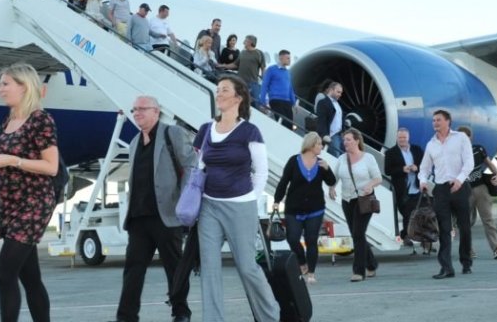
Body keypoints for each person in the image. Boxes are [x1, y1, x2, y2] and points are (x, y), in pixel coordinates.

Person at [193, 75, 279, 322]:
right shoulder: (206, 129)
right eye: (217, 89)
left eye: (224, 90)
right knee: (209, 269)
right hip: (209, 206)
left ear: (238, 98)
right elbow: (199, 166)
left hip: (240, 207)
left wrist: (248, 197)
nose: (218, 93)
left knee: (247, 267)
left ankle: (270, 317)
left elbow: (261, 171)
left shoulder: (249, 131)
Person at [0, 63, 59, 322]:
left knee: (4, 275)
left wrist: (11, 161)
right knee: (30, 277)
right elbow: (11, 162)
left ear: (24, 86)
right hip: (11, 204)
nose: (0, 88)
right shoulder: (10, 120)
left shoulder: (40, 119)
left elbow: (51, 167)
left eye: (5, 83)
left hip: (34, 203)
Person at [114, 95, 194, 322]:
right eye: (134, 109)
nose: (136, 113)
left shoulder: (172, 134)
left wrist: (185, 201)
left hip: (167, 215)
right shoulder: (133, 143)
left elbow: (190, 165)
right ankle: (126, 317)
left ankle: (181, 312)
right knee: (133, 270)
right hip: (139, 218)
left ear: (156, 112)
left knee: (174, 269)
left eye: (142, 109)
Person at [273, 132, 336, 284]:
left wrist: (328, 169)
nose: (322, 146)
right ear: (311, 145)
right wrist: (277, 200)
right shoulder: (294, 161)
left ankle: (311, 273)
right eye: (319, 144)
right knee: (292, 238)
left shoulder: (322, 163)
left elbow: (331, 181)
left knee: (311, 240)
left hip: (315, 208)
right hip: (294, 208)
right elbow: (284, 182)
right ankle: (302, 263)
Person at [418, 109, 474, 279]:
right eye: (433, 120)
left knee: (465, 228)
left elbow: (469, 162)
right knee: (443, 229)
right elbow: (424, 168)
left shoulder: (460, 138)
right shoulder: (431, 144)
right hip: (441, 190)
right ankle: (446, 267)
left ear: (448, 121)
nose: (435, 123)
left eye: (439, 120)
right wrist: (422, 181)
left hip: (460, 187)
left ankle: (466, 262)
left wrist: (460, 179)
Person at [328, 128, 380, 282]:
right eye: (344, 140)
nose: (345, 143)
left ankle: (359, 271)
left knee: (357, 233)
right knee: (357, 234)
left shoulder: (368, 158)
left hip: (364, 199)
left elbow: (378, 178)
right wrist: (331, 187)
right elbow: (335, 176)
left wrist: (370, 185)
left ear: (357, 141)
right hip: (347, 200)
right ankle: (371, 264)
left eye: (348, 140)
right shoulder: (342, 159)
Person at [456, 126, 497, 260]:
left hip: (480, 188)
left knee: (488, 219)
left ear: (470, 137)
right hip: (464, 190)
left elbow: (490, 164)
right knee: (464, 222)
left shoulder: (478, 149)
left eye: (466, 136)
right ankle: (468, 250)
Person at [384, 127, 424, 246]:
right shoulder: (390, 153)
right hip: (401, 189)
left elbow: (425, 165)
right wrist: (402, 169)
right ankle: (406, 234)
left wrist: (417, 168)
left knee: (416, 212)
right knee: (407, 212)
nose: (402, 140)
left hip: (416, 187)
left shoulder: (417, 150)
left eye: (404, 137)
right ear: (397, 138)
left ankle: (410, 234)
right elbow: (387, 170)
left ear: (408, 138)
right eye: (400, 137)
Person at [220, 35, 265, 106]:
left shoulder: (259, 53)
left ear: (250, 42)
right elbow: (235, 65)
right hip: (240, 82)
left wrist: (264, 80)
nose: (243, 42)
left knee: (255, 104)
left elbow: (263, 68)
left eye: (245, 40)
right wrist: (222, 65)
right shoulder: (242, 52)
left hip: (252, 84)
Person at [260, 50, 297, 129]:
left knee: (290, 126)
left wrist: (294, 103)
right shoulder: (271, 69)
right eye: (287, 58)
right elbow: (265, 85)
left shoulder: (287, 72)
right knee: (283, 123)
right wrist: (262, 101)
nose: (289, 60)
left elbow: (290, 88)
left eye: (289, 58)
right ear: (281, 58)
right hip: (276, 100)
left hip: (287, 102)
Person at [316, 81, 345, 157]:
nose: (340, 95)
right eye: (338, 92)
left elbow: (341, 121)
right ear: (331, 90)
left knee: (345, 157)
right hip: (331, 135)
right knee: (336, 156)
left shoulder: (338, 105)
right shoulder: (323, 102)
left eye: (341, 93)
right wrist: (324, 135)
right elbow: (322, 120)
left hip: (340, 136)